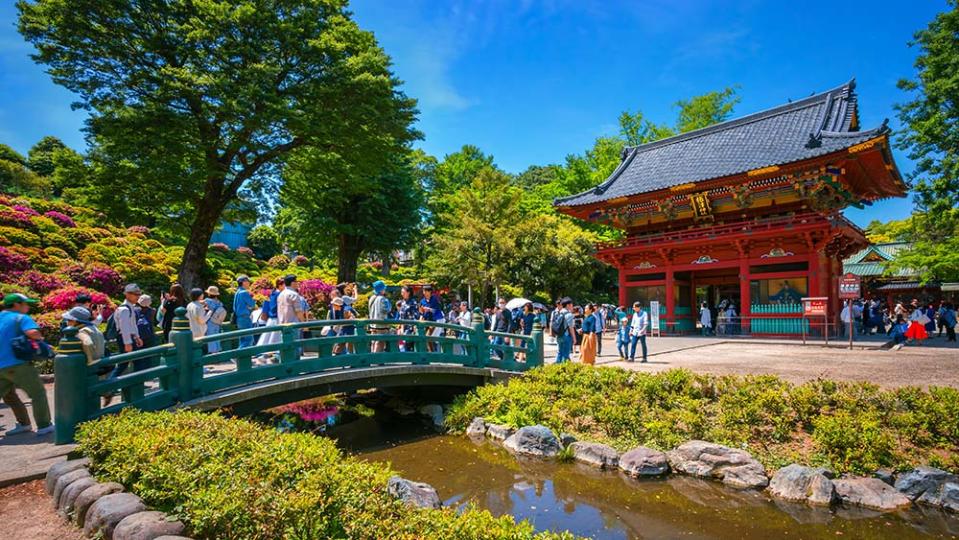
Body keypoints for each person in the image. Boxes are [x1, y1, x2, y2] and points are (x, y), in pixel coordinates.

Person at [0, 293, 54, 436]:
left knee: (9, 395)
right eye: (25, 304)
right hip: (17, 364)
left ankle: (24, 424)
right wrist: (40, 339)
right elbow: (33, 333)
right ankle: (44, 425)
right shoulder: (20, 318)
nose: (28, 307)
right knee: (38, 393)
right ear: (16, 305)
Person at [256, 278, 284, 349]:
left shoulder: (273, 293)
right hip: (277, 318)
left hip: (271, 319)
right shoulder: (279, 294)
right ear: (280, 285)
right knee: (274, 340)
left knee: (266, 339)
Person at [368, 280, 391, 353]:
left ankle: (372, 357)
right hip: (381, 324)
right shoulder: (382, 298)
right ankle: (377, 359)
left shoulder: (372, 298)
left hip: (372, 323)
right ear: (381, 289)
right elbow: (386, 310)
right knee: (380, 341)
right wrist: (390, 305)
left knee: (373, 341)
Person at [233, 275, 256, 348]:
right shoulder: (244, 292)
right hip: (245, 318)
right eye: (248, 281)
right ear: (244, 282)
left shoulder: (237, 292)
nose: (249, 283)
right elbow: (252, 304)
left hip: (239, 318)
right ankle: (238, 356)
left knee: (242, 339)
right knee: (248, 339)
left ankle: (239, 357)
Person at [550, 297, 576, 364]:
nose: (572, 306)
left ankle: (557, 367)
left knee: (560, 352)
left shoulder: (557, 313)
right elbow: (571, 328)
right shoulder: (569, 315)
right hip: (566, 335)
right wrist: (574, 338)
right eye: (571, 305)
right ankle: (564, 369)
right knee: (566, 355)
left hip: (559, 335)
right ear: (568, 305)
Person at [420, 285, 445, 351]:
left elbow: (437, 310)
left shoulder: (435, 299)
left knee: (429, 337)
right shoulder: (422, 301)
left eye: (426, 291)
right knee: (423, 338)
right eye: (423, 291)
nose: (424, 292)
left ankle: (433, 353)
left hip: (435, 320)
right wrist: (422, 311)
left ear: (430, 292)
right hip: (426, 321)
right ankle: (430, 353)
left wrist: (429, 309)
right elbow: (421, 312)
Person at [204, 286, 227, 353]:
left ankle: (213, 353)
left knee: (211, 337)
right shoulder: (219, 302)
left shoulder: (207, 301)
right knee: (217, 336)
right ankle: (218, 351)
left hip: (210, 321)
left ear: (209, 294)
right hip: (218, 321)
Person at [396, 285, 418, 352]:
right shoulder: (402, 302)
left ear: (408, 293)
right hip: (403, 326)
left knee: (410, 344)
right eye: (401, 292)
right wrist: (400, 327)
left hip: (411, 326)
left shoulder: (413, 302)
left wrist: (414, 326)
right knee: (404, 344)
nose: (402, 294)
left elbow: (415, 315)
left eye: (403, 292)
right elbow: (401, 315)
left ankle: (413, 360)